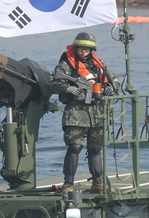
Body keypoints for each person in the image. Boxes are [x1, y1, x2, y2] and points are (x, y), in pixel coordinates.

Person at [48, 32, 115, 193]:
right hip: (76, 112)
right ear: (75, 48)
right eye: (80, 48)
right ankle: (68, 183)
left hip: (97, 112)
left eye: (87, 48)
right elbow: (52, 84)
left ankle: (98, 183)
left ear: (91, 50)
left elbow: (115, 80)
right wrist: (67, 88)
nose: (83, 51)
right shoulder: (66, 65)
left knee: (95, 148)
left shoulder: (99, 64)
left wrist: (109, 88)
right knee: (75, 147)